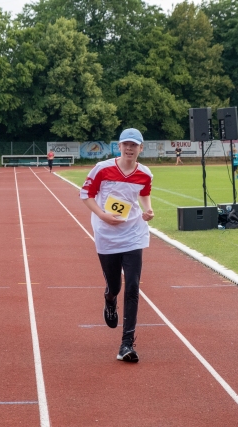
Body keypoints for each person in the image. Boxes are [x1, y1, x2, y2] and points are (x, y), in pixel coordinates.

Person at [80, 128, 154, 363]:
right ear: (119, 146)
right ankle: (109, 299)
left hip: (133, 234)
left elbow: (144, 193)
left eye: (134, 145)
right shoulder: (102, 169)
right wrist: (102, 215)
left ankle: (126, 344)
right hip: (107, 235)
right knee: (115, 286)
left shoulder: (145, 173)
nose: (130, 149)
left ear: (141, 148)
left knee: (132, 286)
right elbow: (86, 194)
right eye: (126, 144)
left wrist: (148, 209)